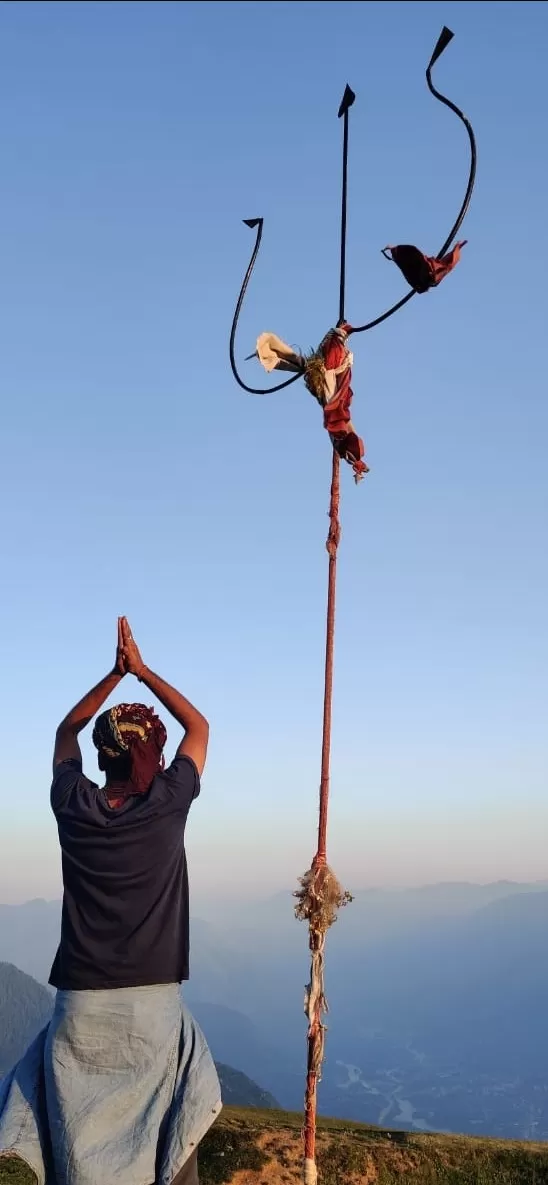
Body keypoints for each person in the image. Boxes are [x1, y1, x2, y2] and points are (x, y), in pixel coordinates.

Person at [0, 618, 221, 1185]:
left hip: (79, 1010)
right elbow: (199, 725)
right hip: (152, 1013)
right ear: (152, 756)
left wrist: (112, 676)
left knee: (77, 1154)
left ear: (103, 757)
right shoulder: (167, 804)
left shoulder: (73, 804)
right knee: (176, 1125)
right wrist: (141, 673)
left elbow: (62, 733)